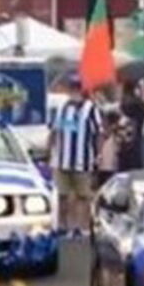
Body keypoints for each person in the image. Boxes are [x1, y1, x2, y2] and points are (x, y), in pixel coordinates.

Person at [46, 74, 102, 239]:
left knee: (83, 196)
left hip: (83, 161)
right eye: (72, 88)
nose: (74, 92)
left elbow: (99, 133)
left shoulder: (91, 108)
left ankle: (81, 227)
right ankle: (63, 226)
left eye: (77, 88)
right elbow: (54, 131)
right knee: (62, 196)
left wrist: (98, 154)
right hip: (62, 161)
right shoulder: (62, 108)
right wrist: (49, 151)